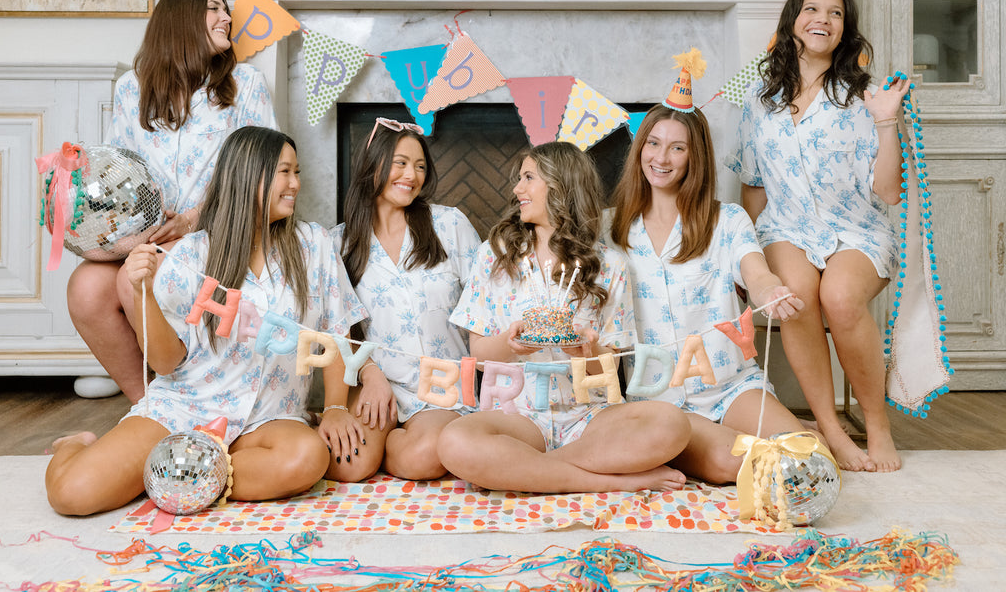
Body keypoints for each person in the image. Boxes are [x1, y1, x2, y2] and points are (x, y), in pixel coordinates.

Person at [45, 126, 366, 516]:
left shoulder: (313, 244)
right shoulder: (191, 256)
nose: (295, 184)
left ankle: (175, 478)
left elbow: (336, 331)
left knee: (305, 457)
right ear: (249, 175)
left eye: (296, 172)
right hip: (185, 408)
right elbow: (166, 364)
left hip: (267, 417)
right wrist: (144, 292)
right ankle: (80, 445)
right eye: (285, 172)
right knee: (71, 495)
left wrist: (334, 407)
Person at [727, 0, 910, 472]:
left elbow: (890, 192)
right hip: (785, 228)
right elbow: (754, 185)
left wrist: (888, 122)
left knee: (841, 298)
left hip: (857, 228)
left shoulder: (869, 96)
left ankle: (876, 424)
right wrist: (752, 255)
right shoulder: (760, 100)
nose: (822, 20)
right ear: (792, 22)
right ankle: (829, 427)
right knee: (798, 295)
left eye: (835, 13)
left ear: (845, 29)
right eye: (812, 9)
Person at [437, 141, 691, 493]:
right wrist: (510, 345)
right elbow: (478, 356)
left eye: (528, 178)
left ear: (560, 187)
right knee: (454, 441)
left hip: (590, 418)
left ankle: (520, 471)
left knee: (671, 424)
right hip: (519, 416)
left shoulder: (610, 265)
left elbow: (612, 364)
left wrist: (590, 350)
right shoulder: (494, 257)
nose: (517, 189)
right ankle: (607, 482)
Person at [67, 0, 277, 402]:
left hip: (213, 234)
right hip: (146, 237)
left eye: (226, 10)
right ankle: (148, 407)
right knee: (85, 288)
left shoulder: (246, 84)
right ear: (181, 18)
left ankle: (183, 405)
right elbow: (118, 175)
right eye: (215, 8)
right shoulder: (132, 87)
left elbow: (261, 173)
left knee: (134, 278)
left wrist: (189, 219)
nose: (227, 18)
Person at [606, 103, 808, 486]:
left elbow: (757, 272)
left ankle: (805, 432)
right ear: (640, 149)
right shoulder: (612, 231)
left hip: (732, 385)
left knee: (806, 454)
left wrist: (771, 290)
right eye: (653, 143)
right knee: (733, 463)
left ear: (694, 156)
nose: (661, 158)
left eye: (677, 148)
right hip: (660, 402)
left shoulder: (728, 220)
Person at [323, 118, 481, 482]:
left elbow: (484, 307)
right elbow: (335, 327)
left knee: (421, 459)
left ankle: (392, 442)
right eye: (401, 162)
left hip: (441, 389)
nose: (412, 175)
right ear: (373, 164)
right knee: (348, 466)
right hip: (374, 385)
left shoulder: (450, 225)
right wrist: (369, 372)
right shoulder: (337, 243)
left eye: (420, 166)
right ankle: (378, 443)